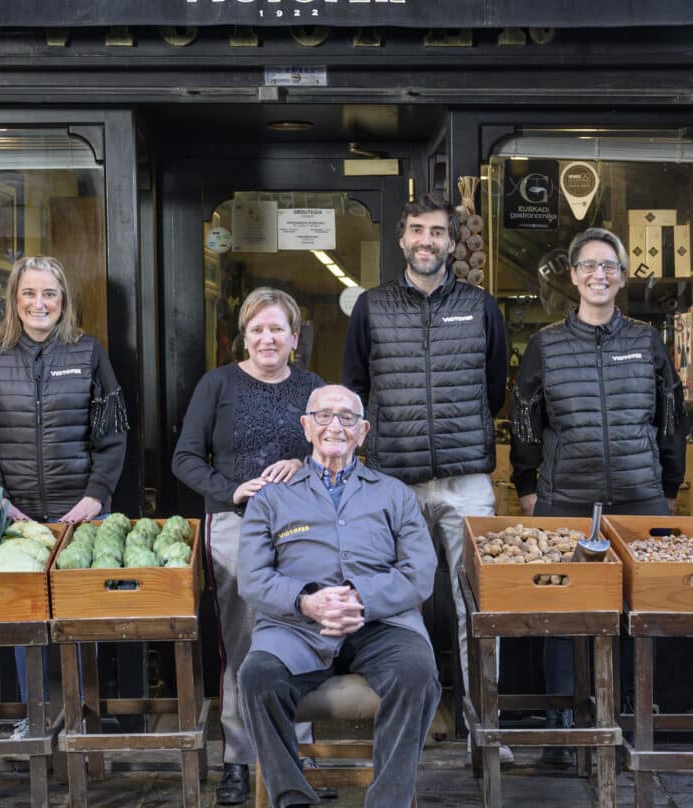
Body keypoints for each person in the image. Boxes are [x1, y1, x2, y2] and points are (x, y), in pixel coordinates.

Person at [509, 227, 687, 760]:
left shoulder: (645, 341)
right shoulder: (545, 345)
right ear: (573, 276)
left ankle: (628, 721)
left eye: (609, 266)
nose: (599, 275)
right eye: (588, 265)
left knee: (637, 615)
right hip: (565, 499)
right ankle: (563, 729)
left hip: (639, 499)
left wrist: (669, 487)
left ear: (622, 275)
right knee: (563, 618)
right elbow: (524, 421)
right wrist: (526, 487)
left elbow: (671, 418)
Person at [341, 192, 507, 725]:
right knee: (394, 604)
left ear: (452, 242)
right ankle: (404, 720)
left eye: (436, 231)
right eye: (416, 230)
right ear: (402, 239)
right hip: (395, 482)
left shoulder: (480, 306)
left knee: (478, 605)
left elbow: (495, 387)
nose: (426, 241)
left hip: (468, 482)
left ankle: (482, 723)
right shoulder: (371, 306)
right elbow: (355, 387)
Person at [238, 384, 440, 808]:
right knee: (256, 678)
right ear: (306, 427)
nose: (335, 426)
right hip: (296, 626)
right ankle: (293, 798)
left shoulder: (394, 494)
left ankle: (388, 801)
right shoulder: (270, 497)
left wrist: (361, 600)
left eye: (347, 418)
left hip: (382, 624)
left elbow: (420, 572)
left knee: (417, 671)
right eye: (324, 416)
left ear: (362, 431)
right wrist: (307, 601)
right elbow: (253, 578)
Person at [171, 287, 324, 805]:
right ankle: (237, 759)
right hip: (235, 526)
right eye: (257, 329)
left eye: (277, 329)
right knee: (241, 642)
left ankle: (293, 752)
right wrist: (231, 489)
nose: (267, 338)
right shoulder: (218, 385)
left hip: (303, 529)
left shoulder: (312, 387)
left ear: (294, 338)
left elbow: (339, 450)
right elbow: (185, 458)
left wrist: (306, 464)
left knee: (299, 634)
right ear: (244, 334)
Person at [0, 255, 129, 704]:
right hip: (17, 516)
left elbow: (113, 435)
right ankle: (33, 716)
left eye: (49, 293)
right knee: (25, 623)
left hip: (80, 514)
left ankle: (82, 717)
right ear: (14, 300)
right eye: (29, 293)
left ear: (63, 299)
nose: (39, 303)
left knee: (81, 621)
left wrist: (97, 495)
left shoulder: (87, 353)